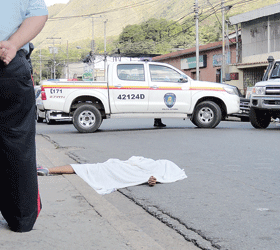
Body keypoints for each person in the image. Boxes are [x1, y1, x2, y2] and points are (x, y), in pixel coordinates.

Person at [0, 0, 48, 232]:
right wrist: (12, 44)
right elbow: (39, 13)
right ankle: (21, 218)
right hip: (8, 62)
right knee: (17, 142)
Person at [37, 165, 157, 186]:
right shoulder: (141, 165)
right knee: (85, 168)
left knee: (85, 168)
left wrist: (150, 180)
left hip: (114, 169)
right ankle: (48, 170)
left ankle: (48, 170)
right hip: (114, 167)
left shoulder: (148, 172)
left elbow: (152, 178)